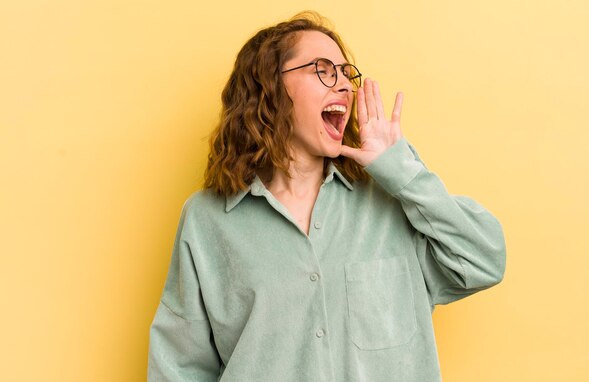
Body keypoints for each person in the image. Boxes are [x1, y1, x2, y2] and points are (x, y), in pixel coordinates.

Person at [148, 11, 506, 382]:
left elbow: (483, 260)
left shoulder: (393, 202)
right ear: (269, 87)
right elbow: (178, 365)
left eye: (345, 73)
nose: (344, 87)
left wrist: (402, 172)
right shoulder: (207, 220)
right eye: (323, 70)